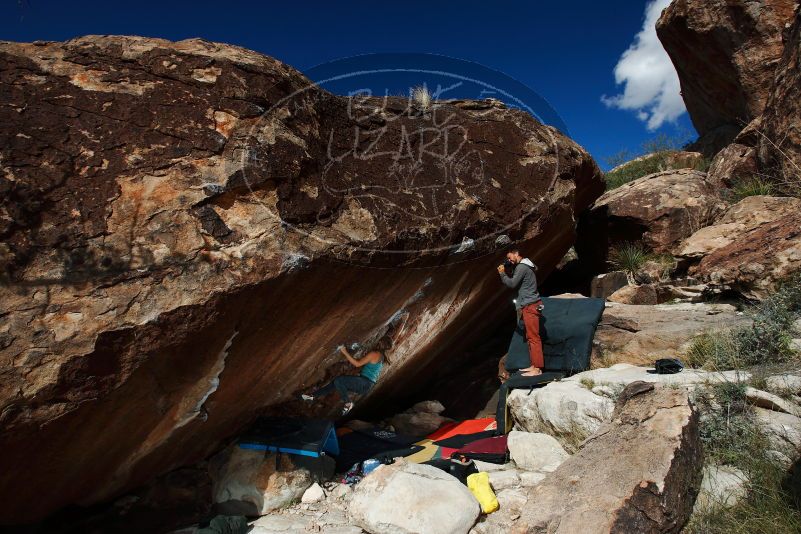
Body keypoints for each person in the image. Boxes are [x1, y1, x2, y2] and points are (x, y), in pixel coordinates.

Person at [301, 337, 391, 415]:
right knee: (335, 383)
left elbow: (357, 364)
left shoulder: (375, 354)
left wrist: (344, 351)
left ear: (380, 342)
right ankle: (312, 396)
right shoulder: (381, 356)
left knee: (339, 381)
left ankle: (348, 403)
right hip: (366, 384)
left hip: (365, 382)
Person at [497, 247, 543, 376]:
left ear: (516, 253)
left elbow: (512, 284)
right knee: (530, 336)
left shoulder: (522, 267)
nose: (509, 260)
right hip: (529, 304)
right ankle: (534, 365)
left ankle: (537, 368)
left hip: (530, 305)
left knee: (534, 338)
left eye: (509, 256)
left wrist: (502, 273)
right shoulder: (526, 265)